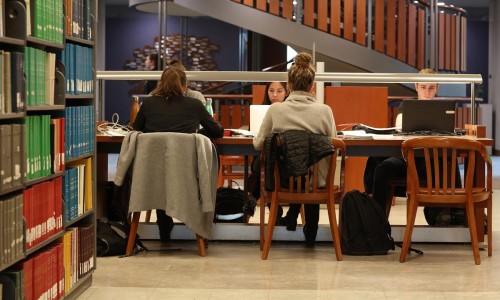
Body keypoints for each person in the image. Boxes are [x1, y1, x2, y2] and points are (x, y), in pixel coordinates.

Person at [252, 52, 336, 246]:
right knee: (311, 170)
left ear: (289, 86)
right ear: (312, 86)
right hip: (316, 182)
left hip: (285, 180)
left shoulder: (276, 110)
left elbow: (258, 144)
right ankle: (311, 232)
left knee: (297, 170)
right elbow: (332, 144)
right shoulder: (325, 111)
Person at [133, 67, 224, 242]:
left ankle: (163, 221)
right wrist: (199, 134)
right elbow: (218, 131)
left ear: (161, 84)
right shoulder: (194, 105)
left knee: (163, 173)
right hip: (187, 175)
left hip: (151, 176)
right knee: (174, 171)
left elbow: (136, 130)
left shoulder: (149, 104)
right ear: (185, 86)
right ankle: (199, 230)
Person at [248, 82, 289, 220]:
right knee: (263, 164)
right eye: (271, 90)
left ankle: (253, 198)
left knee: (264, 166)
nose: (275, 95)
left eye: (279, 91)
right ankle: (273, 209)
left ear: (287, 92)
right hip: (265, 157)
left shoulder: (291, 111)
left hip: (285, 161)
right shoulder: (260, 111)